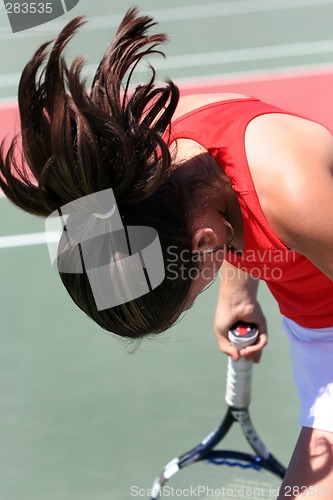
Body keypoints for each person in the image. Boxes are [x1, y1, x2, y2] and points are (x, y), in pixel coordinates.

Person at [1, 7, 333, 498]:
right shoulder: (150, 165)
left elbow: (268, 203)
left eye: (193, 292)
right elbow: (240, 203)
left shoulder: (300, 195)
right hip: (313, 327)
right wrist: (238, 292)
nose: (204, 286)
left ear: (203, 244)